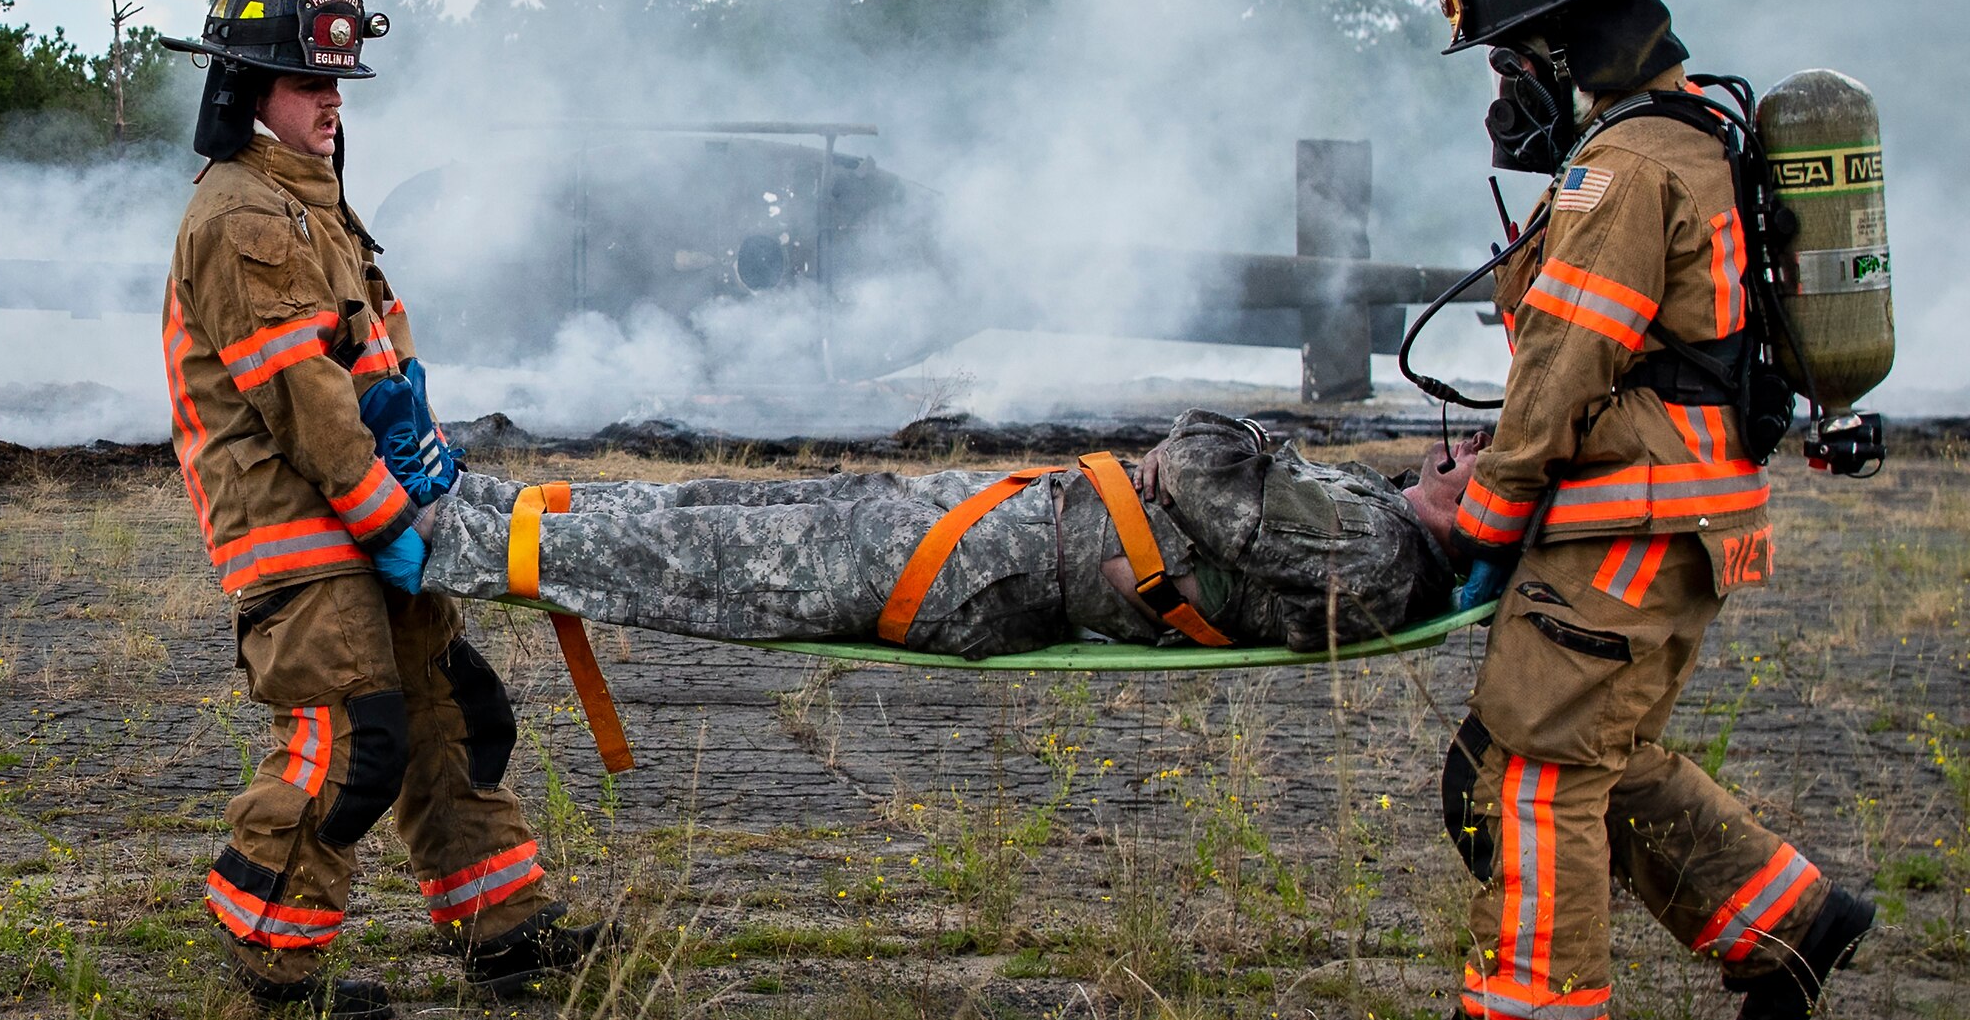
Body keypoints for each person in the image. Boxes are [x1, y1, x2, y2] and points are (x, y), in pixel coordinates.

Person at [1378, 0, 1874, 1020]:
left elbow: (1563, 367)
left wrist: (1483, 514)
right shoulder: (1691, 138)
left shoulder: (1624, 167)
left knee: (1535, 763)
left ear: (1555, 50)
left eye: (1507, 63)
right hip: (1678, 512)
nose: (1502, 95)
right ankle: (1787, 926)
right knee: (1604, 743)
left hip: (1630, 512)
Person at [159, 0, 604, 1020]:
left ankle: (505, 929)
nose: (333, 98)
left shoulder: (316, 210)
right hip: (299, 532)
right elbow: (303, 401)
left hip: (368, 518)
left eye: (338, 80)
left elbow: (375, 376)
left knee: (454, 711)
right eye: (306, 82)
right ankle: (269, 957)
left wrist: (429, 479)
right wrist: (391, 518)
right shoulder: (243, 218)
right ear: (242, 89)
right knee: (351, 743)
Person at [401, 410, 1474, 657]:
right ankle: (486, 503)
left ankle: (447, 540)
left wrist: (1222, 439)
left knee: (713, 562)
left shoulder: (1376, 550)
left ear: (1486, 513)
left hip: (996, 566)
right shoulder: (1373, 515)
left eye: (1481, 455)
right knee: (723, 506)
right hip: (1010, 519)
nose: (1460, 444)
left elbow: (1198, 470)